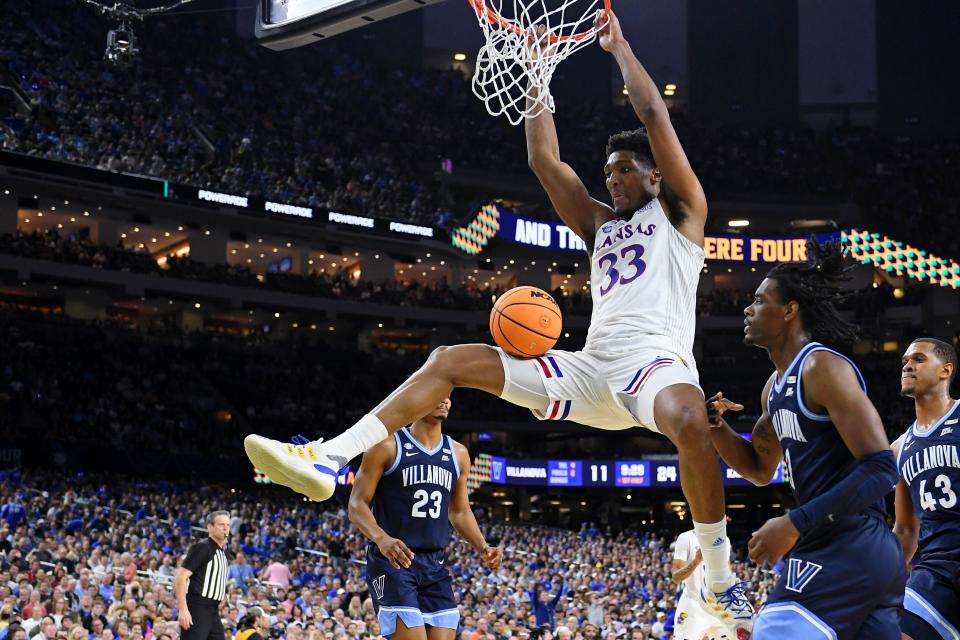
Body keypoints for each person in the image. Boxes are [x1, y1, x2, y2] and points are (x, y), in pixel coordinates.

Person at [242, 9, 750, 633]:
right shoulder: (599, 226)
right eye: (609, 169)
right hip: (590, 370)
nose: (613, 177)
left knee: (689, 419)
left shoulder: (682, 213)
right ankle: (329, 457)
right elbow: (546, 161)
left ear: (655, 175)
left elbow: (654, 116)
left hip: (656, 365)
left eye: (625, 169)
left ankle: (721, 581)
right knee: (449, 361)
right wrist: (536, 69)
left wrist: (619, 50)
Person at [707, 239, 905, 639]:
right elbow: (760, 469)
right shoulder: (773, 388)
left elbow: (883, 468)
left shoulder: (821, 367)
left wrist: (795, 522)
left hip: (848, 541)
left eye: (760, 301)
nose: (747, 308)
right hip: (862, 554)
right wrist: (716, 427)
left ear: (790, 311)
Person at [347, 398, 503, 640]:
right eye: (437, 392)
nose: (445, 399)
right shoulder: (387, 445)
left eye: (449, 394)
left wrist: (482, 546)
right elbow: (356, 504)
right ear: (419, 396)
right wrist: (381, 538)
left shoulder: (459, 453)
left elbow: (459, 511)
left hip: (435, 564)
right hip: (394, 561)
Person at [891, 338, 960, 640]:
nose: (907, 365)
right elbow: (906, 530)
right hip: (936, 571)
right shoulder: (899, 448)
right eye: (905, 360)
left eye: (918, 359)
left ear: (945, 370)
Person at [174, 511, 230, 640]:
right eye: (221, 524)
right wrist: (183, 609)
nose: (225, 527)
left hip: (213, 610)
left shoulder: (223, 552)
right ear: (210, 527)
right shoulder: (203, 547)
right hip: (198, 607)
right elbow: (181, 577)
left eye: (227, 524)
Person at [670, 531, 727, 640]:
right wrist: (696, 561)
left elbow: (727, 574)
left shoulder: (725, 539)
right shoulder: (686, 538)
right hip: (694, 605)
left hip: (718, 606)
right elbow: (676, 578)